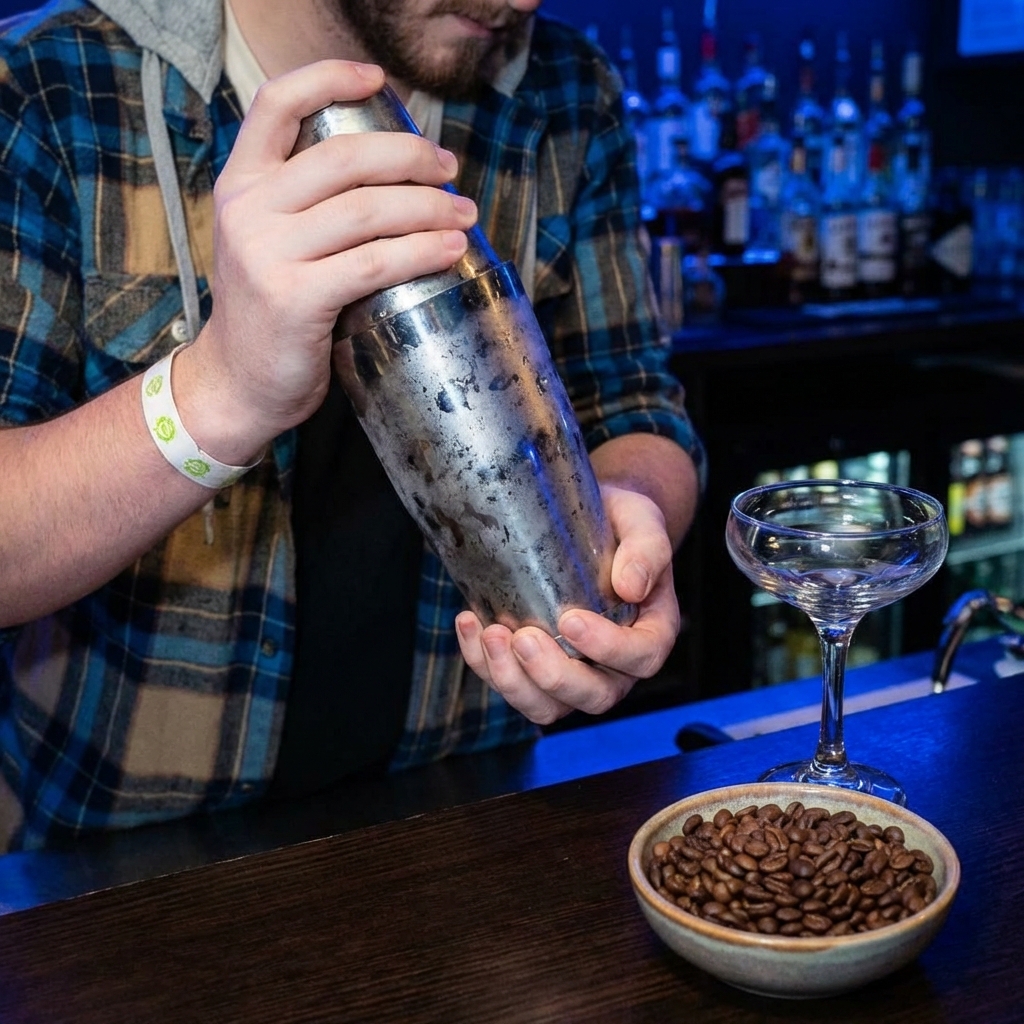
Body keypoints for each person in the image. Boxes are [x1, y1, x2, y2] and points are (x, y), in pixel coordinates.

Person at [0, 0, 704, 852]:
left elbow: (633, 403)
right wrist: (221, 390)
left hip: (465, 810)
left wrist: (633, 517)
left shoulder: (563, 90)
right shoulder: (45, 86)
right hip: (121, 861)